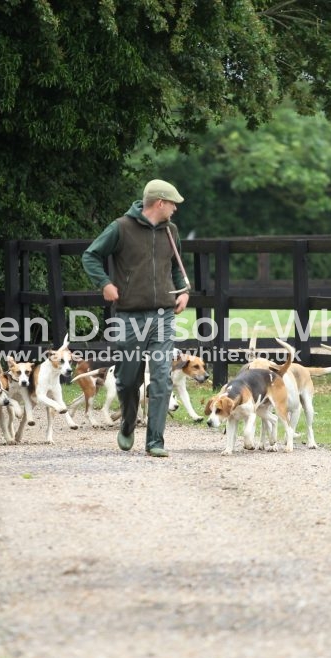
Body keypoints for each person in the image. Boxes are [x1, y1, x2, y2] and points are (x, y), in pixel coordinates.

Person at [82, 179, 190, 457]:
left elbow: (176, 267)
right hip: (130, 316)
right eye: (172, 203)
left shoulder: (171, 231)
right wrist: (105, 284)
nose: (175, 208)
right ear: (159, 203)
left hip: (163, 316)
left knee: (163, 377)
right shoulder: (121, 228)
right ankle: (128, 422)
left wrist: (183, 292)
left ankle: (155, 440)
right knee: (128, 379)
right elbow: (91, 256)